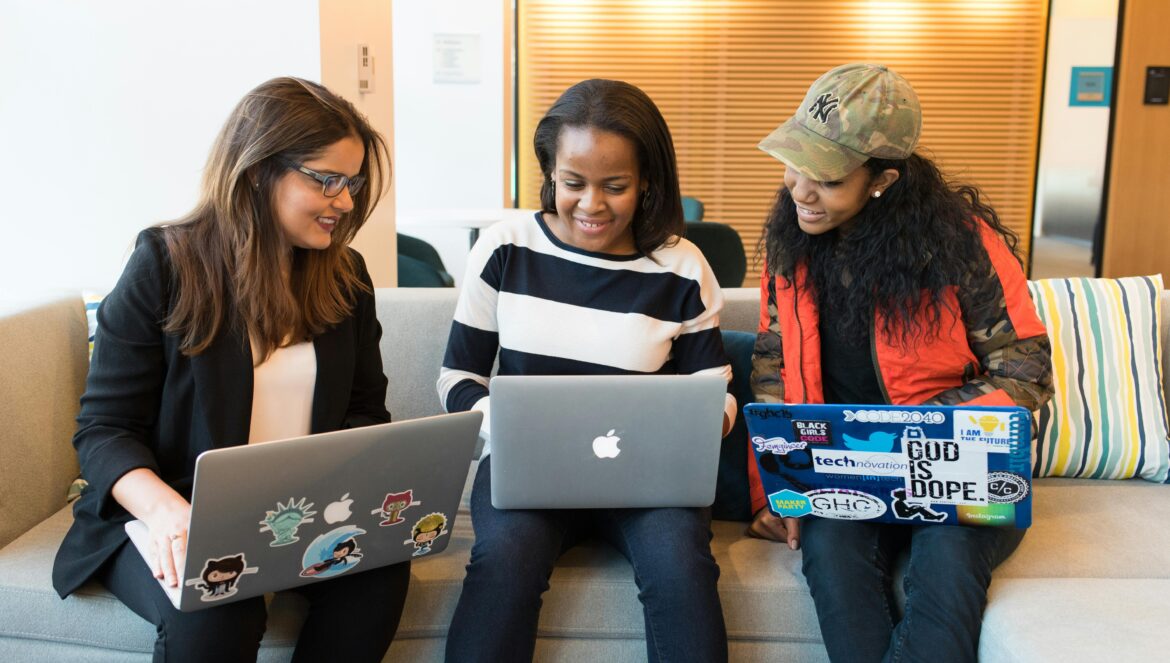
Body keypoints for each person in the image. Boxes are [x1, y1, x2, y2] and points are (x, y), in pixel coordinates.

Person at [51, 77, 410, 663]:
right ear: (258, 171)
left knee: (378, 580)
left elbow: (365, 410)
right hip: (169, 514)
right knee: (221, 606)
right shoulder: (164, 263)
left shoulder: (346, 278)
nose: (346, 202)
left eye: (354, 183)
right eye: (328, 180)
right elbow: (104, 430)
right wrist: (168, 512)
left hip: (295, 517)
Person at [747, 63, 1054, 663]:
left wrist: (912, 437)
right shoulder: (791, 245)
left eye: (828, 179)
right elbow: (772, 366)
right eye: (795, 165)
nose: (800, 190)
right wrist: (773, 491)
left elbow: (1025, 370)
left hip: (959, 467)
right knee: (831, 559)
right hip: (838, 473)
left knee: (947, 561)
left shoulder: (961, 246)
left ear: (882, 179)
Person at [439, 78, 734, 663]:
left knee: (681, 564)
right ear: (549, 171)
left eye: (615, 186)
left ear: (647, 180)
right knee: (504, 561)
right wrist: (507, 423)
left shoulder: (681, 265)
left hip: (651, 481)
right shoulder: (506, 248)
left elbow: (715, 392)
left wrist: (701, 425)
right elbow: (457, 379)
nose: (591, 205)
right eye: (572, 183)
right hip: (527, 473)